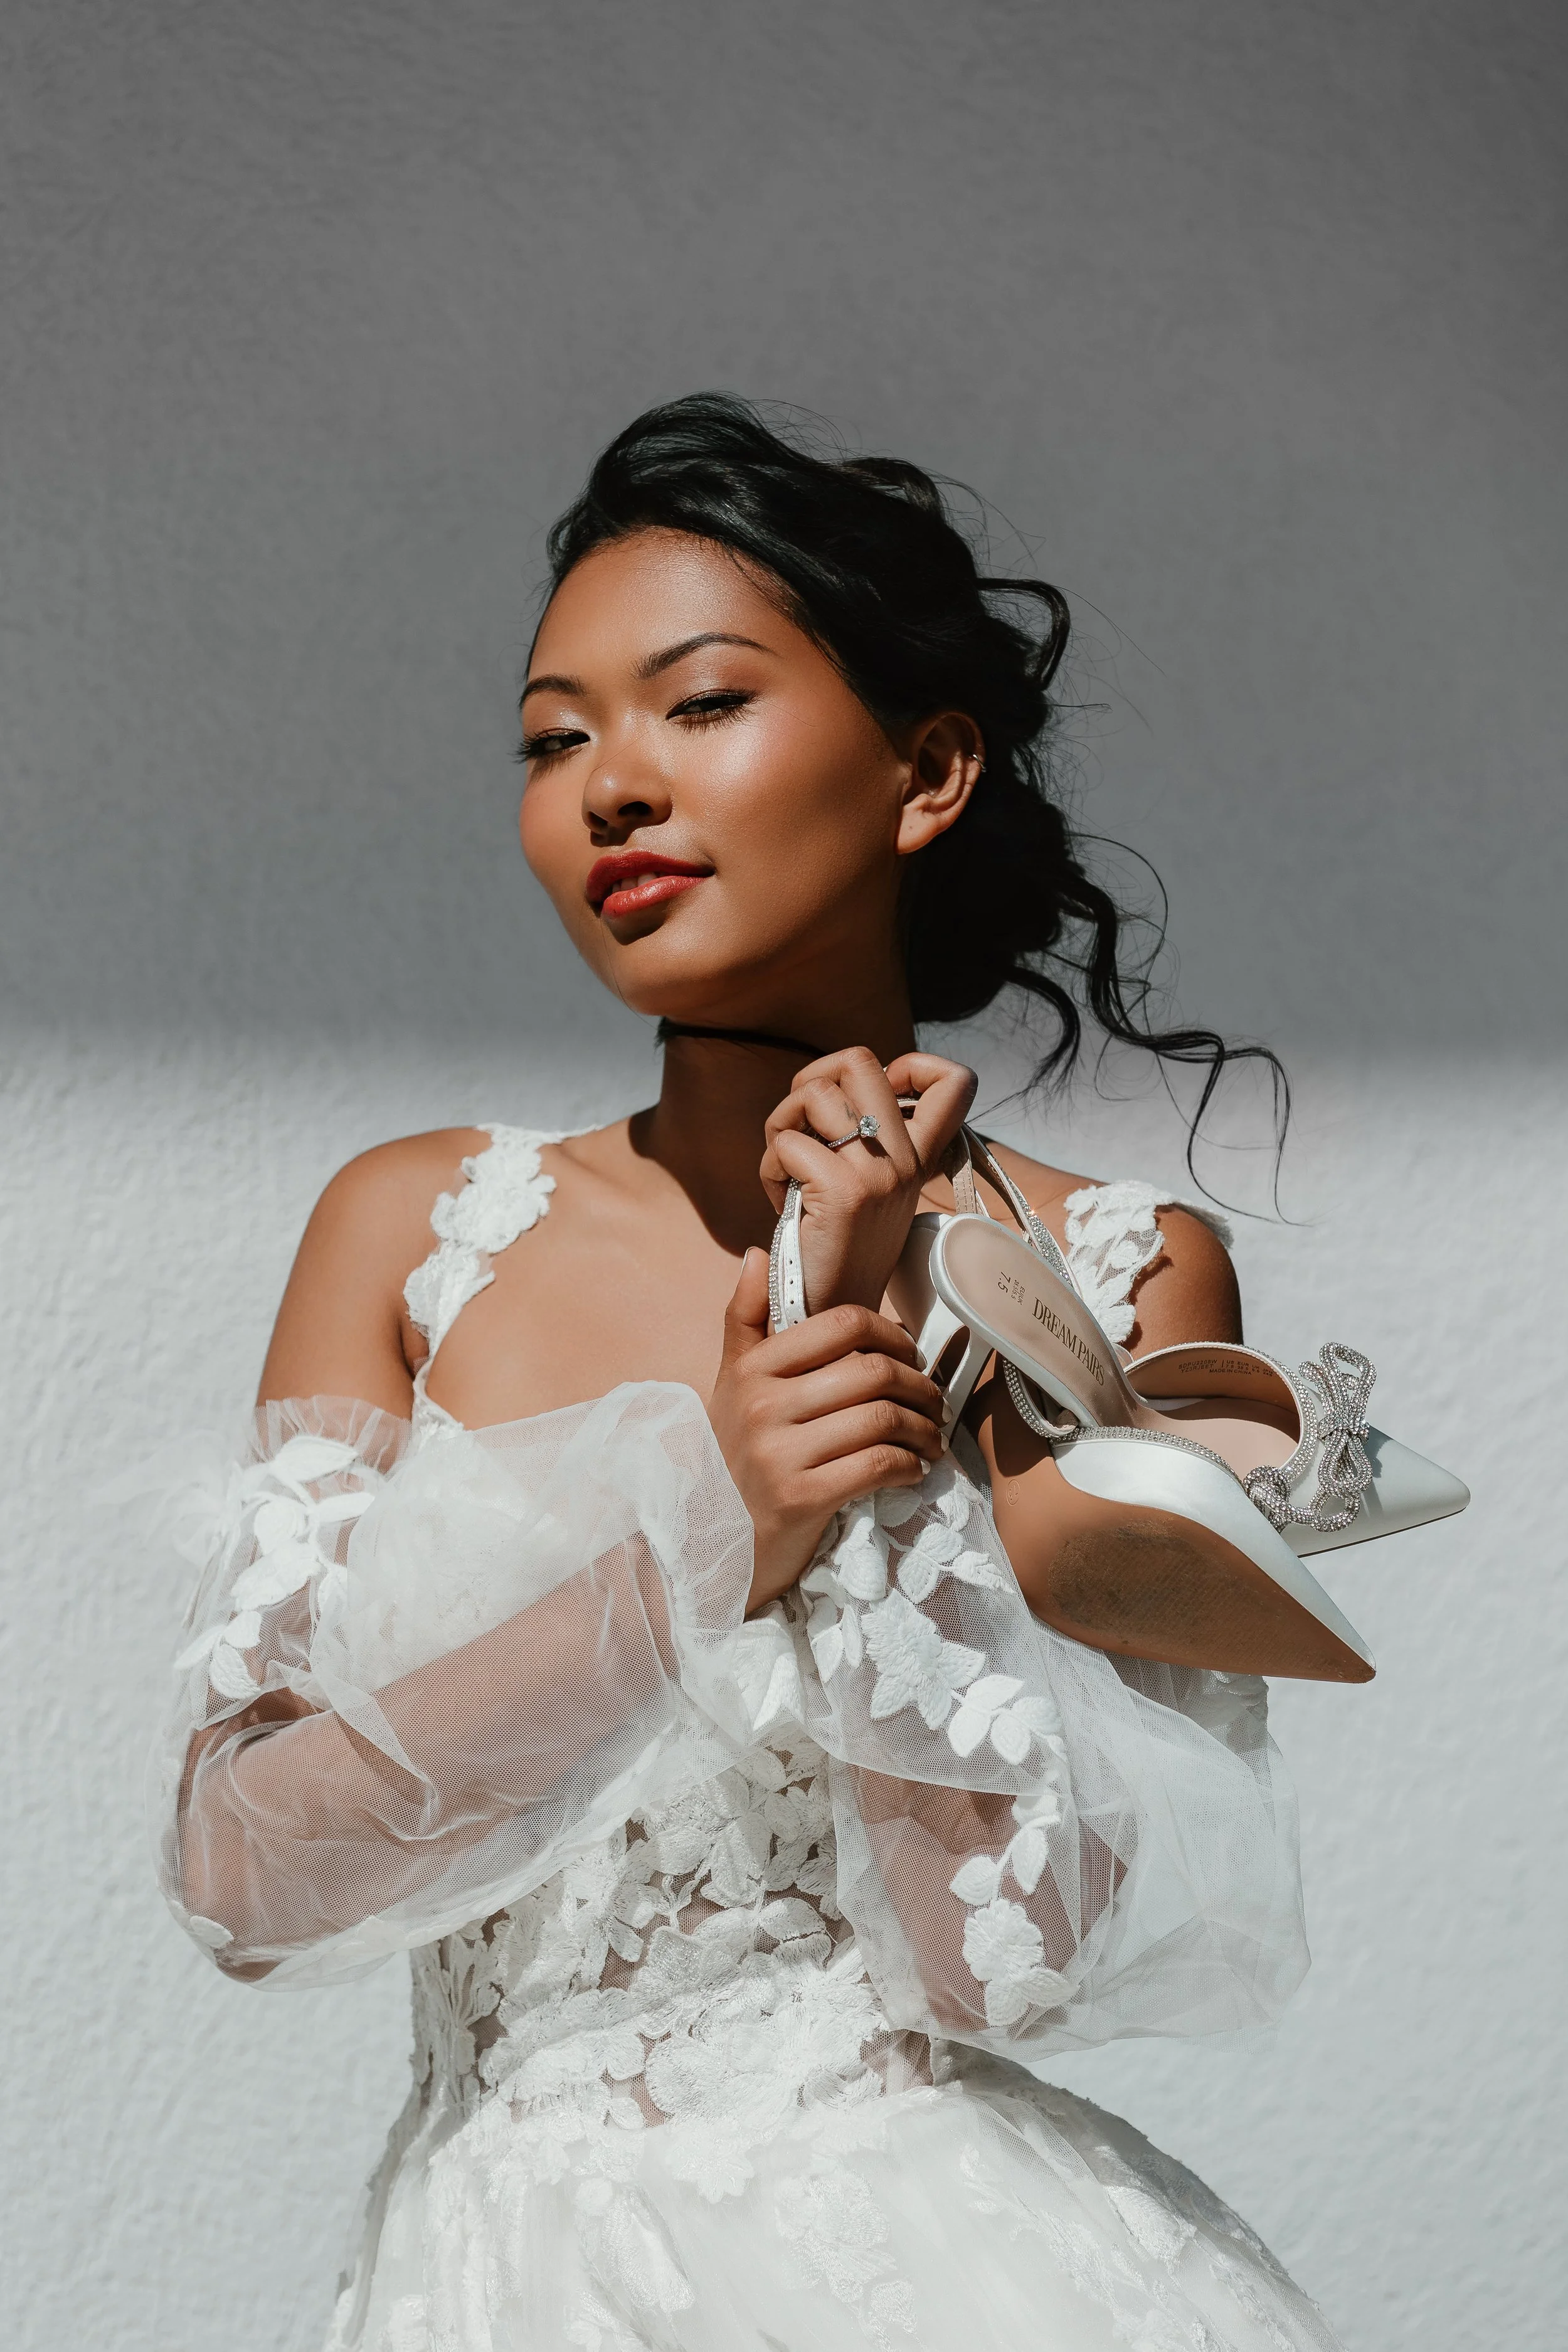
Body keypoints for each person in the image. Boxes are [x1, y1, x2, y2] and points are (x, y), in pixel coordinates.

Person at [146, 396, 1341, 2349]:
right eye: (554, 739)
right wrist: (716, 1512)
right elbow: (243, 1877)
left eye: (696, 703)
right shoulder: (409, 1227)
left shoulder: (1109, 1276)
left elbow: (997, 1962)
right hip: (492, 2274)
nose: (612, 783)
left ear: (925, 769)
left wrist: (864, 1436)